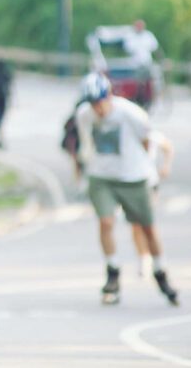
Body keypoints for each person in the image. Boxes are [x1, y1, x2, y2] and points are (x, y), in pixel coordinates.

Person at [74, 72, 178, 306]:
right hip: (101, 176)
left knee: (147, 228)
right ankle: (112, 271)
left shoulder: (131, 114)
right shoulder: (84, 115)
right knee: (106, 222)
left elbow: (147, 141)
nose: (97, 109)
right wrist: (84, 170)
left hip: (133, 177)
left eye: (99, 103)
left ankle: (160, 271)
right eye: (92, 104)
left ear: (109, 96)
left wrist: (148, 169)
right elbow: (86, 144)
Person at [133, 129, 173, 279]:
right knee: (135, 223)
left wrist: (166, 166)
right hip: (131, 185)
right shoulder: (127, 133)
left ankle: (158, 261)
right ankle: (143, 257)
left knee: (147, 223)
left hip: (149, 183)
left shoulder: (152, 134)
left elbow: (168, 147)